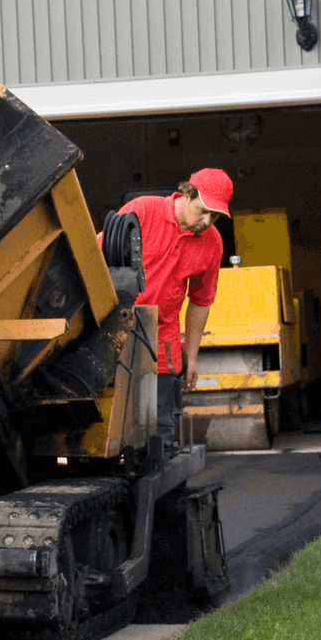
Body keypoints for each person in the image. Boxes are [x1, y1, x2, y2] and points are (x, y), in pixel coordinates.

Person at [119, 167, 232, 452]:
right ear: (186, 194)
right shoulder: (141, 211)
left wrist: (191, 358)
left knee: (159, 429)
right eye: (202, 210)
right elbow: (97, 259)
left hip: (163, 344)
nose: (207, 221)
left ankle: (159, 480)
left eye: (215, 216)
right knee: (114, 415)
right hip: (117, 330)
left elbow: (200, 301)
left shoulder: (213, 243)